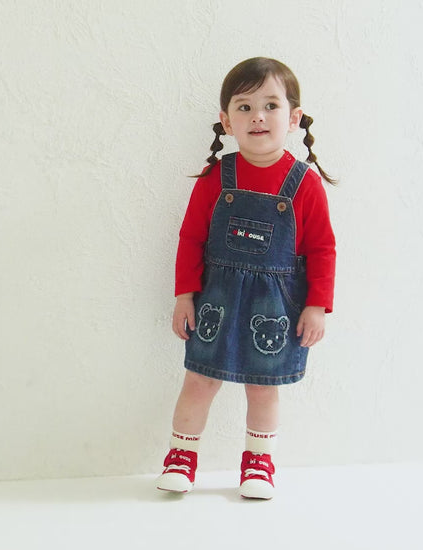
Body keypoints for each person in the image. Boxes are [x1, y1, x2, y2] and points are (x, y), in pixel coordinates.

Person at [156, 57, 336, 499]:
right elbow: (191, 238)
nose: (258, 116)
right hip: (216, 302)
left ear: (293, 118)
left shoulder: (305, 184)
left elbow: (322, 249)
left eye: (271, 105)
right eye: (245, 107)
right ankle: (181, 454)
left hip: (274, 309)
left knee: (263, 388)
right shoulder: (215, 178)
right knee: (200, 379)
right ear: (226, 121)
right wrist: (184, 296)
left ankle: (259, 462)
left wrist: (317, 305)